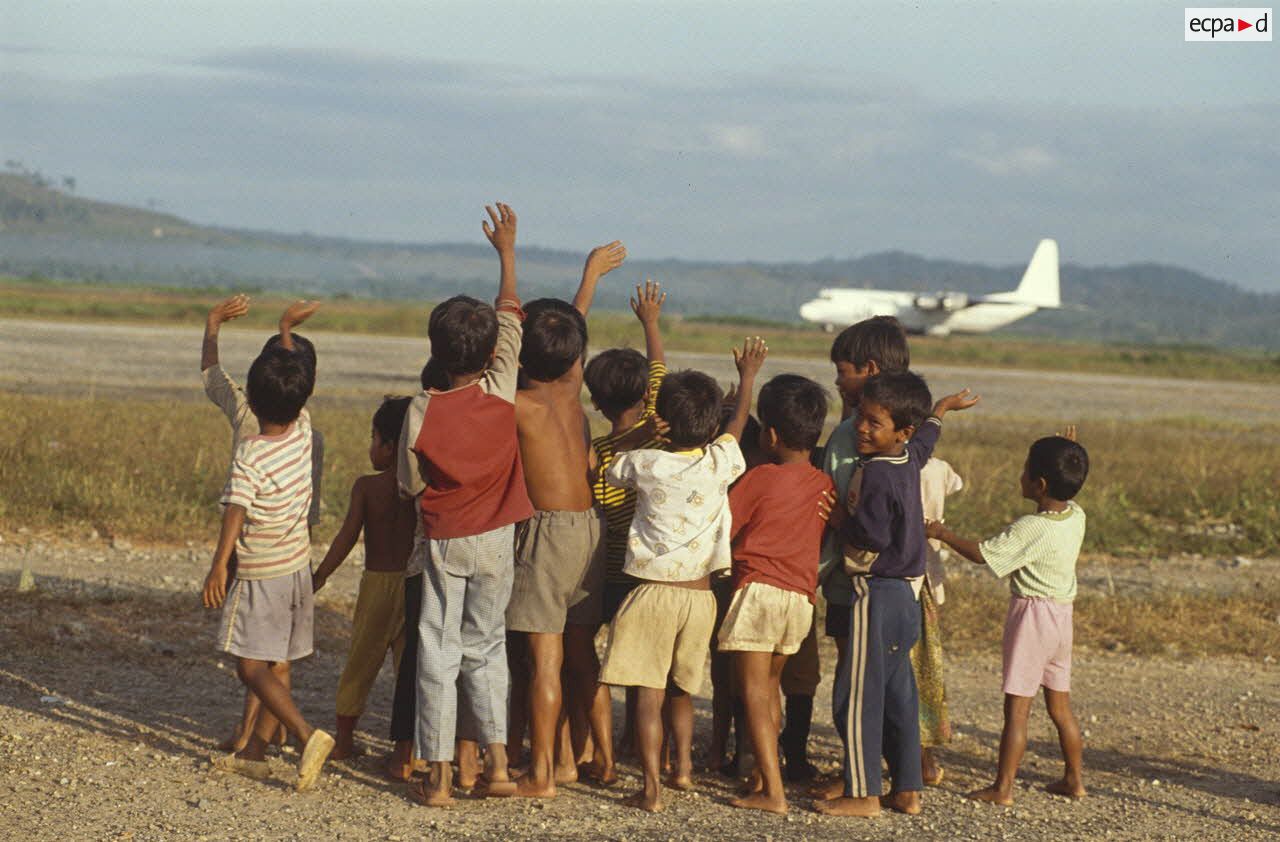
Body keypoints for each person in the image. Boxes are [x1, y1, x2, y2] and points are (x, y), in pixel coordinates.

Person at [395, 202, 531, 806]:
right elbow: (511, 317)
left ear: (435, 349)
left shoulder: (422, 410)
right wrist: (505, 251)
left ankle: (441, 775)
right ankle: (500, 768)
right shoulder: (502, 389)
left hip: (447, 539)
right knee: (488, 646)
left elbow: (410, 484)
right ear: (487, 354)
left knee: (438, 651)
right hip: (499, 538)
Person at [599, 336, 766, 813]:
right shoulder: (720, 462)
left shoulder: (645, 461)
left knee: (646, 695)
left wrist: (644, 434)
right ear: (710, 425)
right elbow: (735, 427)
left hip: (651, 594)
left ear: (663, 421)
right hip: (700, 599)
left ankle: (650, 788)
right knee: (681, 691)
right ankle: (684, 771)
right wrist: (749, 376)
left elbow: (608, 466)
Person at [815, 372, 978, 818]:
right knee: (900, 697)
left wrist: (838, 525)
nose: (861, 429)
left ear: (900, 431)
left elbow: (869, 537)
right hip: (908, 598)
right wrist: (940, 411)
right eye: (860, 419)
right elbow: (927, 438)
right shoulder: (910, 456)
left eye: (872, 423)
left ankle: (864, 792)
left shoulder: (878, 478)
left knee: (857, 696)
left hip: (878, 593)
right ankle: (907, 790)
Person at [505, 240, 626, 797]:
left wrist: (507, 256)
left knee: (543, 658)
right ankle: (586, 759)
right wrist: (590, 277)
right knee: (580, 651)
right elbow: (573, 332)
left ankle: (543, 773)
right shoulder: (573, 391)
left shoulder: (519, 405)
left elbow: (509, 334)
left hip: (547, 533)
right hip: (589, 527)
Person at [926, 432, 1089, 806]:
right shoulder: (1075, 516)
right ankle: (1074, 780)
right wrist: (1068, 454)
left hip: (1032, 617)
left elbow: (983, 555)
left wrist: (942, 533)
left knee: (1016, 710)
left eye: (1025, 470)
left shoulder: (1030, 528)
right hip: (1062, 618)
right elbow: (1062, 493)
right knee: (1060, 707)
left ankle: (1002, 789)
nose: (1020, 475)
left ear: (1040, 484)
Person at [201, 334, 334, 792]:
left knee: (250, 666)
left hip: (262, 573)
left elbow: (236, 511)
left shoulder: (250, 454)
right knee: (278, 661)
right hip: (297, 567)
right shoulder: (304, 430)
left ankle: (306, 735)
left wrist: (220, 565)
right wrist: (286, 329)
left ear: (252, 401)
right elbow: (298, 378)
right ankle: (255, 752)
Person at [717, 374, 835, 814]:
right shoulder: (823, 483)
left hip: (759, 594)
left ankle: (773, 792)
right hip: (799, 602)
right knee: (770, 691)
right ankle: (768, 775)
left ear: (769, 435)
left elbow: (726, 530)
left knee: (752, 694)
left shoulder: (760, 478)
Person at [583, 278, 668, 766]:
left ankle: (602, 749)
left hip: (604, 571)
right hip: (645, 572)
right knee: (642, 664)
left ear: (597, 404)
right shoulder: (658, 436)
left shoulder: (598, 453)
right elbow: (659, 369)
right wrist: (650, 322)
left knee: (595, 661)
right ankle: (639, 744)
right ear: (645, 395)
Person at [311, 396, 417, 760]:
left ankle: (343, 738)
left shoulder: (367, 488)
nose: (370, 447)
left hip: (377, 585)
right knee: (410, 669)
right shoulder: (419, 488)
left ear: (389, 446)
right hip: (414, 583)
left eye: (374, 439)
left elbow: (346, 538)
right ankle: (408, 749)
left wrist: (321, 575)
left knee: (360, 661)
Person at [384, 360, 451, 782]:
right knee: (459, 655)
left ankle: (406, 752)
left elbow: (408, 485)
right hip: (476, 555)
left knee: (417, 657)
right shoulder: (484, 414)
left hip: (426, 558)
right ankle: (453, 754)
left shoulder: (423, 414)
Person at [915, 455, 964, 784]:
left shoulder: (889, 463)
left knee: (908, 673)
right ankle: (925, 758)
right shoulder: (940, 468)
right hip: (929, 578)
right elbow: (956, 484)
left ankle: (919, 761)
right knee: (927, 670)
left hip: (904, 580)